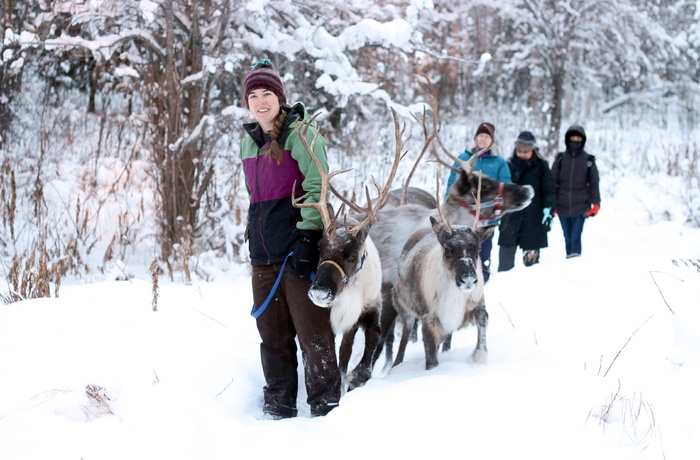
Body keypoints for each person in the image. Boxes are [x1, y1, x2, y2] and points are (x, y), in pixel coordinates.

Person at [240, 59, 340, 419]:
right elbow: (255, 197)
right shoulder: (248, 144)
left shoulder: (302, 134)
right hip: (263, 255)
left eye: (267, 93)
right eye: (254, 95)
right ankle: (278, 405)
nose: (261, 101)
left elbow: (318, 185)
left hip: (298, 251)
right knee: (273, 337)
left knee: (312, 334)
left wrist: (309, 235)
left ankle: (326, 407)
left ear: (280, 97)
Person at [445, 122, 511, 282]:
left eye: (487, 136)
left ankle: (482, 283)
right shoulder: (464, 158)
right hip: (462, 217)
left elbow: (505, 186)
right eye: (480, 135)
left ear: (492, 141)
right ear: (475, 138)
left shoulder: (499, 162)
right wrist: (447, 207)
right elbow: (451, 183)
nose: (483, 139)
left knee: (482, 252)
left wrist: (500, 211)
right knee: (460, 252)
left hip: (486, 218)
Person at [497, 131, 555, 271]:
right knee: (505, 265)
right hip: (511, 218)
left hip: (533, 221)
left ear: (533, 150)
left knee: (532, 269)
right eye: (520, 151)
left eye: (526, 151)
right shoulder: (508, 165)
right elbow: (500, 189)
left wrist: (549, 211)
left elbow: (549, 190)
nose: (522, 154)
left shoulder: (541, 167)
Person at [551, 124, 601, 258]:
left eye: (578, 139)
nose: (575, 141)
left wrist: (596, 203)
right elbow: (552, 182)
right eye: (572, 138)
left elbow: (594, 183)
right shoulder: (560, 159)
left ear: (583, 141)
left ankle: (575, 263)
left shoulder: (589, 160)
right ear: (567, 140)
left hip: (581, 206)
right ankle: (570, 263)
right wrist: (551, 204)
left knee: (575, 237)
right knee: (567, 237)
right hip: (562, 205)